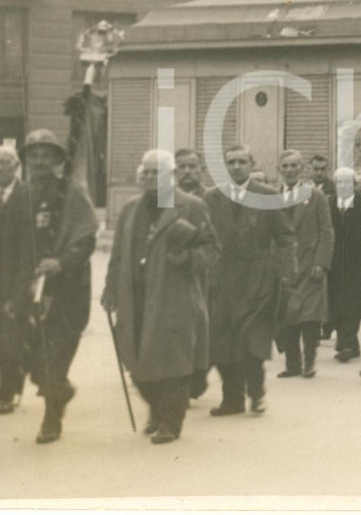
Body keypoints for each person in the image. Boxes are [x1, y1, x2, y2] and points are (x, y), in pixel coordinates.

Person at [102, 150, 220, 444]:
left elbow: (212, 249)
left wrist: (188, 258)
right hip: (136, 297)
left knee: (175, 360)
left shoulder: (191, 206)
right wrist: (109, 289)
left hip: (174, 297)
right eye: (147, 173)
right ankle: (156, 408)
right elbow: (117, 254)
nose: (151, 178)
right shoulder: (130, 208)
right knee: (138, 361)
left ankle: (170, 422)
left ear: (172, 177)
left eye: (158, 173)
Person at [0, 129, 98, 443]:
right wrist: (10, 295)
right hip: (28, 290)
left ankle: (51, 419)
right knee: (28, 356)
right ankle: (61, 391)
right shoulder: (20, 195)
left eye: (46, 155)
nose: (39, 161)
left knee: (54, 359)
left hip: (66, 292)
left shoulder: (70, 191)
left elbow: (86, 240)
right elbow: (10, 250)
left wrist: (61, 262)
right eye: (34, 155)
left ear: (58, 159)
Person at [204, 144, 296, 416]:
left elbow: (285, 237)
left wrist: (285, 273)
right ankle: (231, 400)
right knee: (222, 343)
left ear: (251, 163)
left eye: (241, 161)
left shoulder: (267, 195)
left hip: (258, 281)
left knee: (251, 343)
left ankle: (256, 392)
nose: (236, 167)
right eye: (231, 162)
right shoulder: (212, 197)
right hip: (221, 280)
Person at [274, 150, 334, 380]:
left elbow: (327, 232)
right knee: (287, 317)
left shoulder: (315, 196)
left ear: (301, 169)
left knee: (309, 318)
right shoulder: (272, 197)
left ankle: (309, 361)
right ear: (279, 169)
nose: (289, 170)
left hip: (310, 265)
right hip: (284, 267)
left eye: (294, 166)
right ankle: (292, 364)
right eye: (285, 166)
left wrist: (322, 262)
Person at [174, 147, 211, 399]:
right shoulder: (163, 198)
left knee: (201, 328)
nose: (187, 172)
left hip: (204, 275)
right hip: (172, 275)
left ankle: (197, 376)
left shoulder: (212, 199)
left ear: (202, 169)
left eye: (192, 166)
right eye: (182, 167)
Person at [327, 167, 361, 362]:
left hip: (358, 263)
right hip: (334, 263)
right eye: (340, 182)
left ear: (355, 185)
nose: (343, 186)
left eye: (348, 183)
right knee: (335, 302)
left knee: (353, 304)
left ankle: (346, 343)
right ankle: (348, 344)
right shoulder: (327, 204)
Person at [0, 146, 26, 414]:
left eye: (5, 163)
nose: (0, 168)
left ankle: (7, 391)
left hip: (15, 278)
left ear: (16, 167)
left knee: (9, 338)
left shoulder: (26, 195)